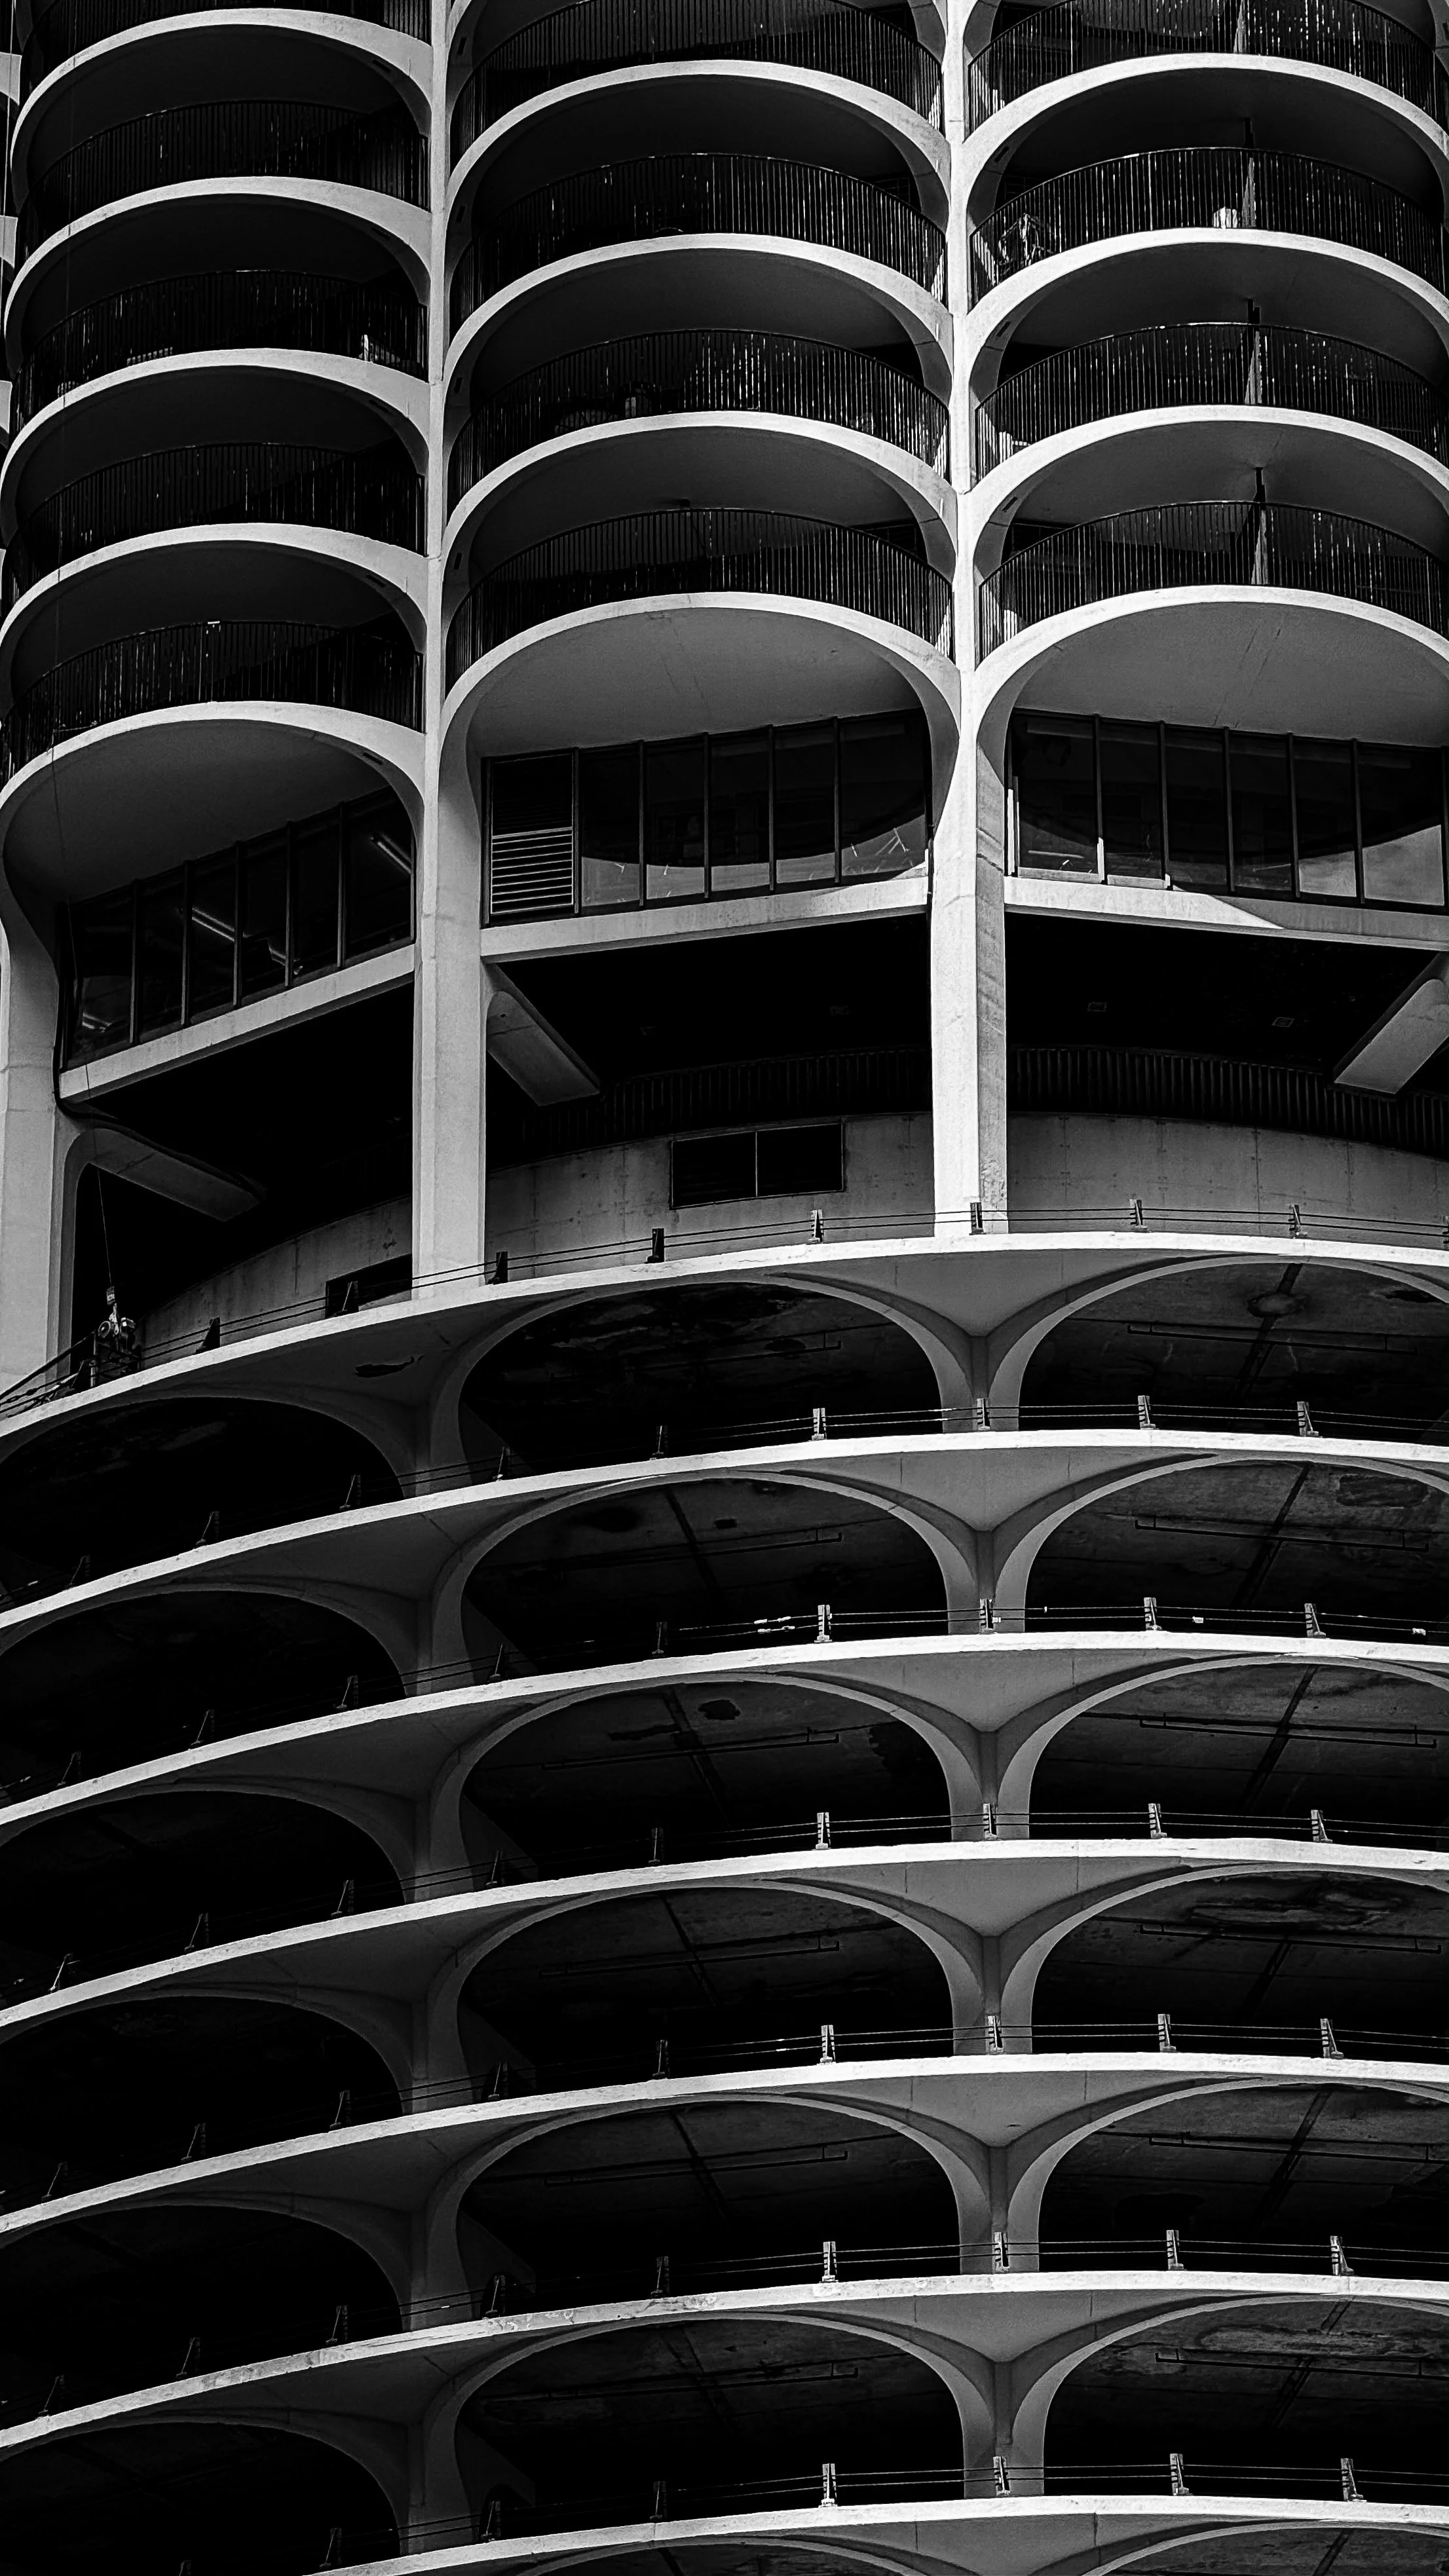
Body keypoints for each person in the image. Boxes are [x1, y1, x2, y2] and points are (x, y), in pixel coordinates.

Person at [92, 1284, 140, 1381]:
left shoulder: (123, 1322)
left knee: (125, 1346)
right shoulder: (115, 1323)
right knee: (120, 1348)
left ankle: (129, 1361)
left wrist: (124, 1323)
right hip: (123, 1340)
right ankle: (127, 1361)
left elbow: (133, 1325)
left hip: (126, 1338)